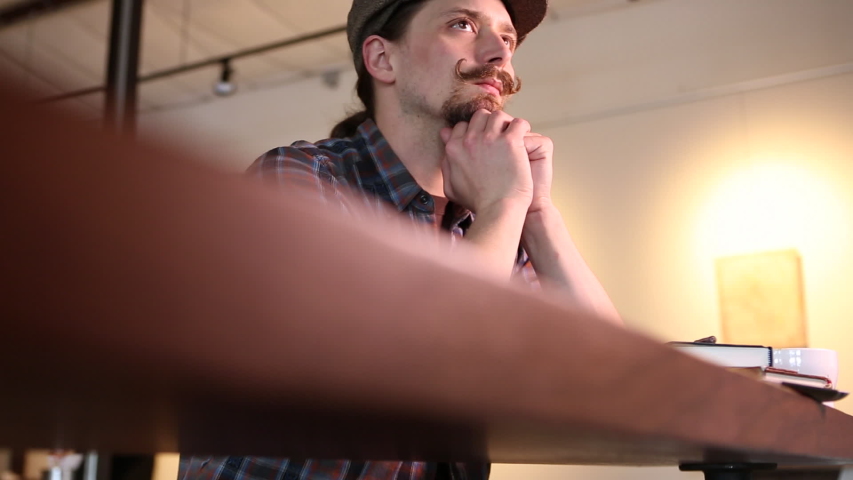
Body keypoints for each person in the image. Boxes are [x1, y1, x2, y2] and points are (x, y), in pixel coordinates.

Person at [179, 0, 621, 479]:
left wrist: (536, 211)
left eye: (508, 38)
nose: (500, 53)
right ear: (382, 60)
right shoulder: (300, 179)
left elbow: (615, 384)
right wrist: (502, 208)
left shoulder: (492, 222)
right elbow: (421, 369)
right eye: (463, 24)